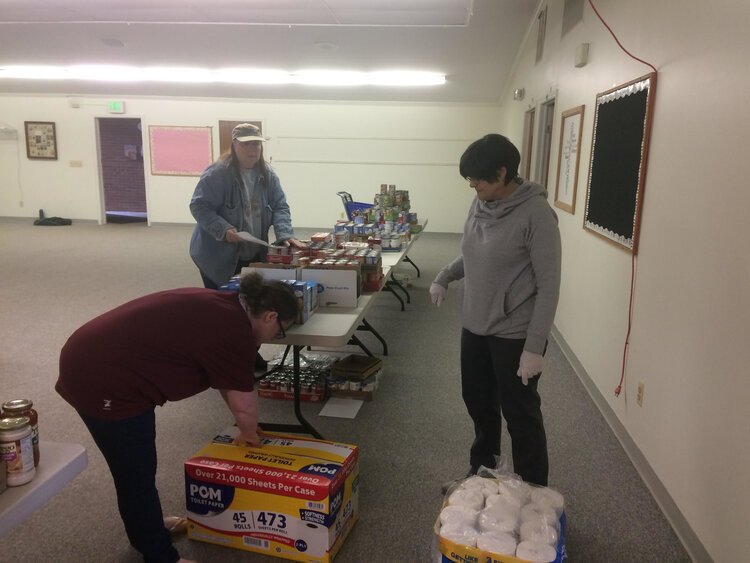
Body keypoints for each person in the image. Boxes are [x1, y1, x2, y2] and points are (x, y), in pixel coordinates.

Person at [55, 273, 298, 563]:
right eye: (282, 331)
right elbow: (244, 403)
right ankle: (159, 556)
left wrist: (245, 426)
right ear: (271, 316)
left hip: (94, 354)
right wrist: (249, 434)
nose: (277, 337)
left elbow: (228, 381)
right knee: (135, 473)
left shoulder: (230, 305)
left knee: (137, 468)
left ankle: (146, 530)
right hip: (102, 378)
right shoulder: (233, 331)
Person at [430, 134, 561, 488]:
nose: (473, 186)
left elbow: (549, 286)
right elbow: (473, 253)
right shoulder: (481, 202)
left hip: (514, 333)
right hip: (475, 324)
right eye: (469, 180)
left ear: (502, 172)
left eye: (478, 179)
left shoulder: (537, 215)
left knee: (520, 415)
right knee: (478, 404)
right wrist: (445, 275)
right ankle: (482, 475)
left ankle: (533, 492)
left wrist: (534, 347)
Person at [189, 122, 305, 370]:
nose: (253, 149)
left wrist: (285, 234)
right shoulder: (217, 174)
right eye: (247, 144)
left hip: (252, 251)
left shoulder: (267, 174)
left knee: (253, 307)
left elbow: (280, 206)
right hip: (217, 255)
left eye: (257, 144)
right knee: (225, 310)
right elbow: (199, 206)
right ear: (235, 145)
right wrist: (223, 229)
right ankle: (222, 360)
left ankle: (245, 353)